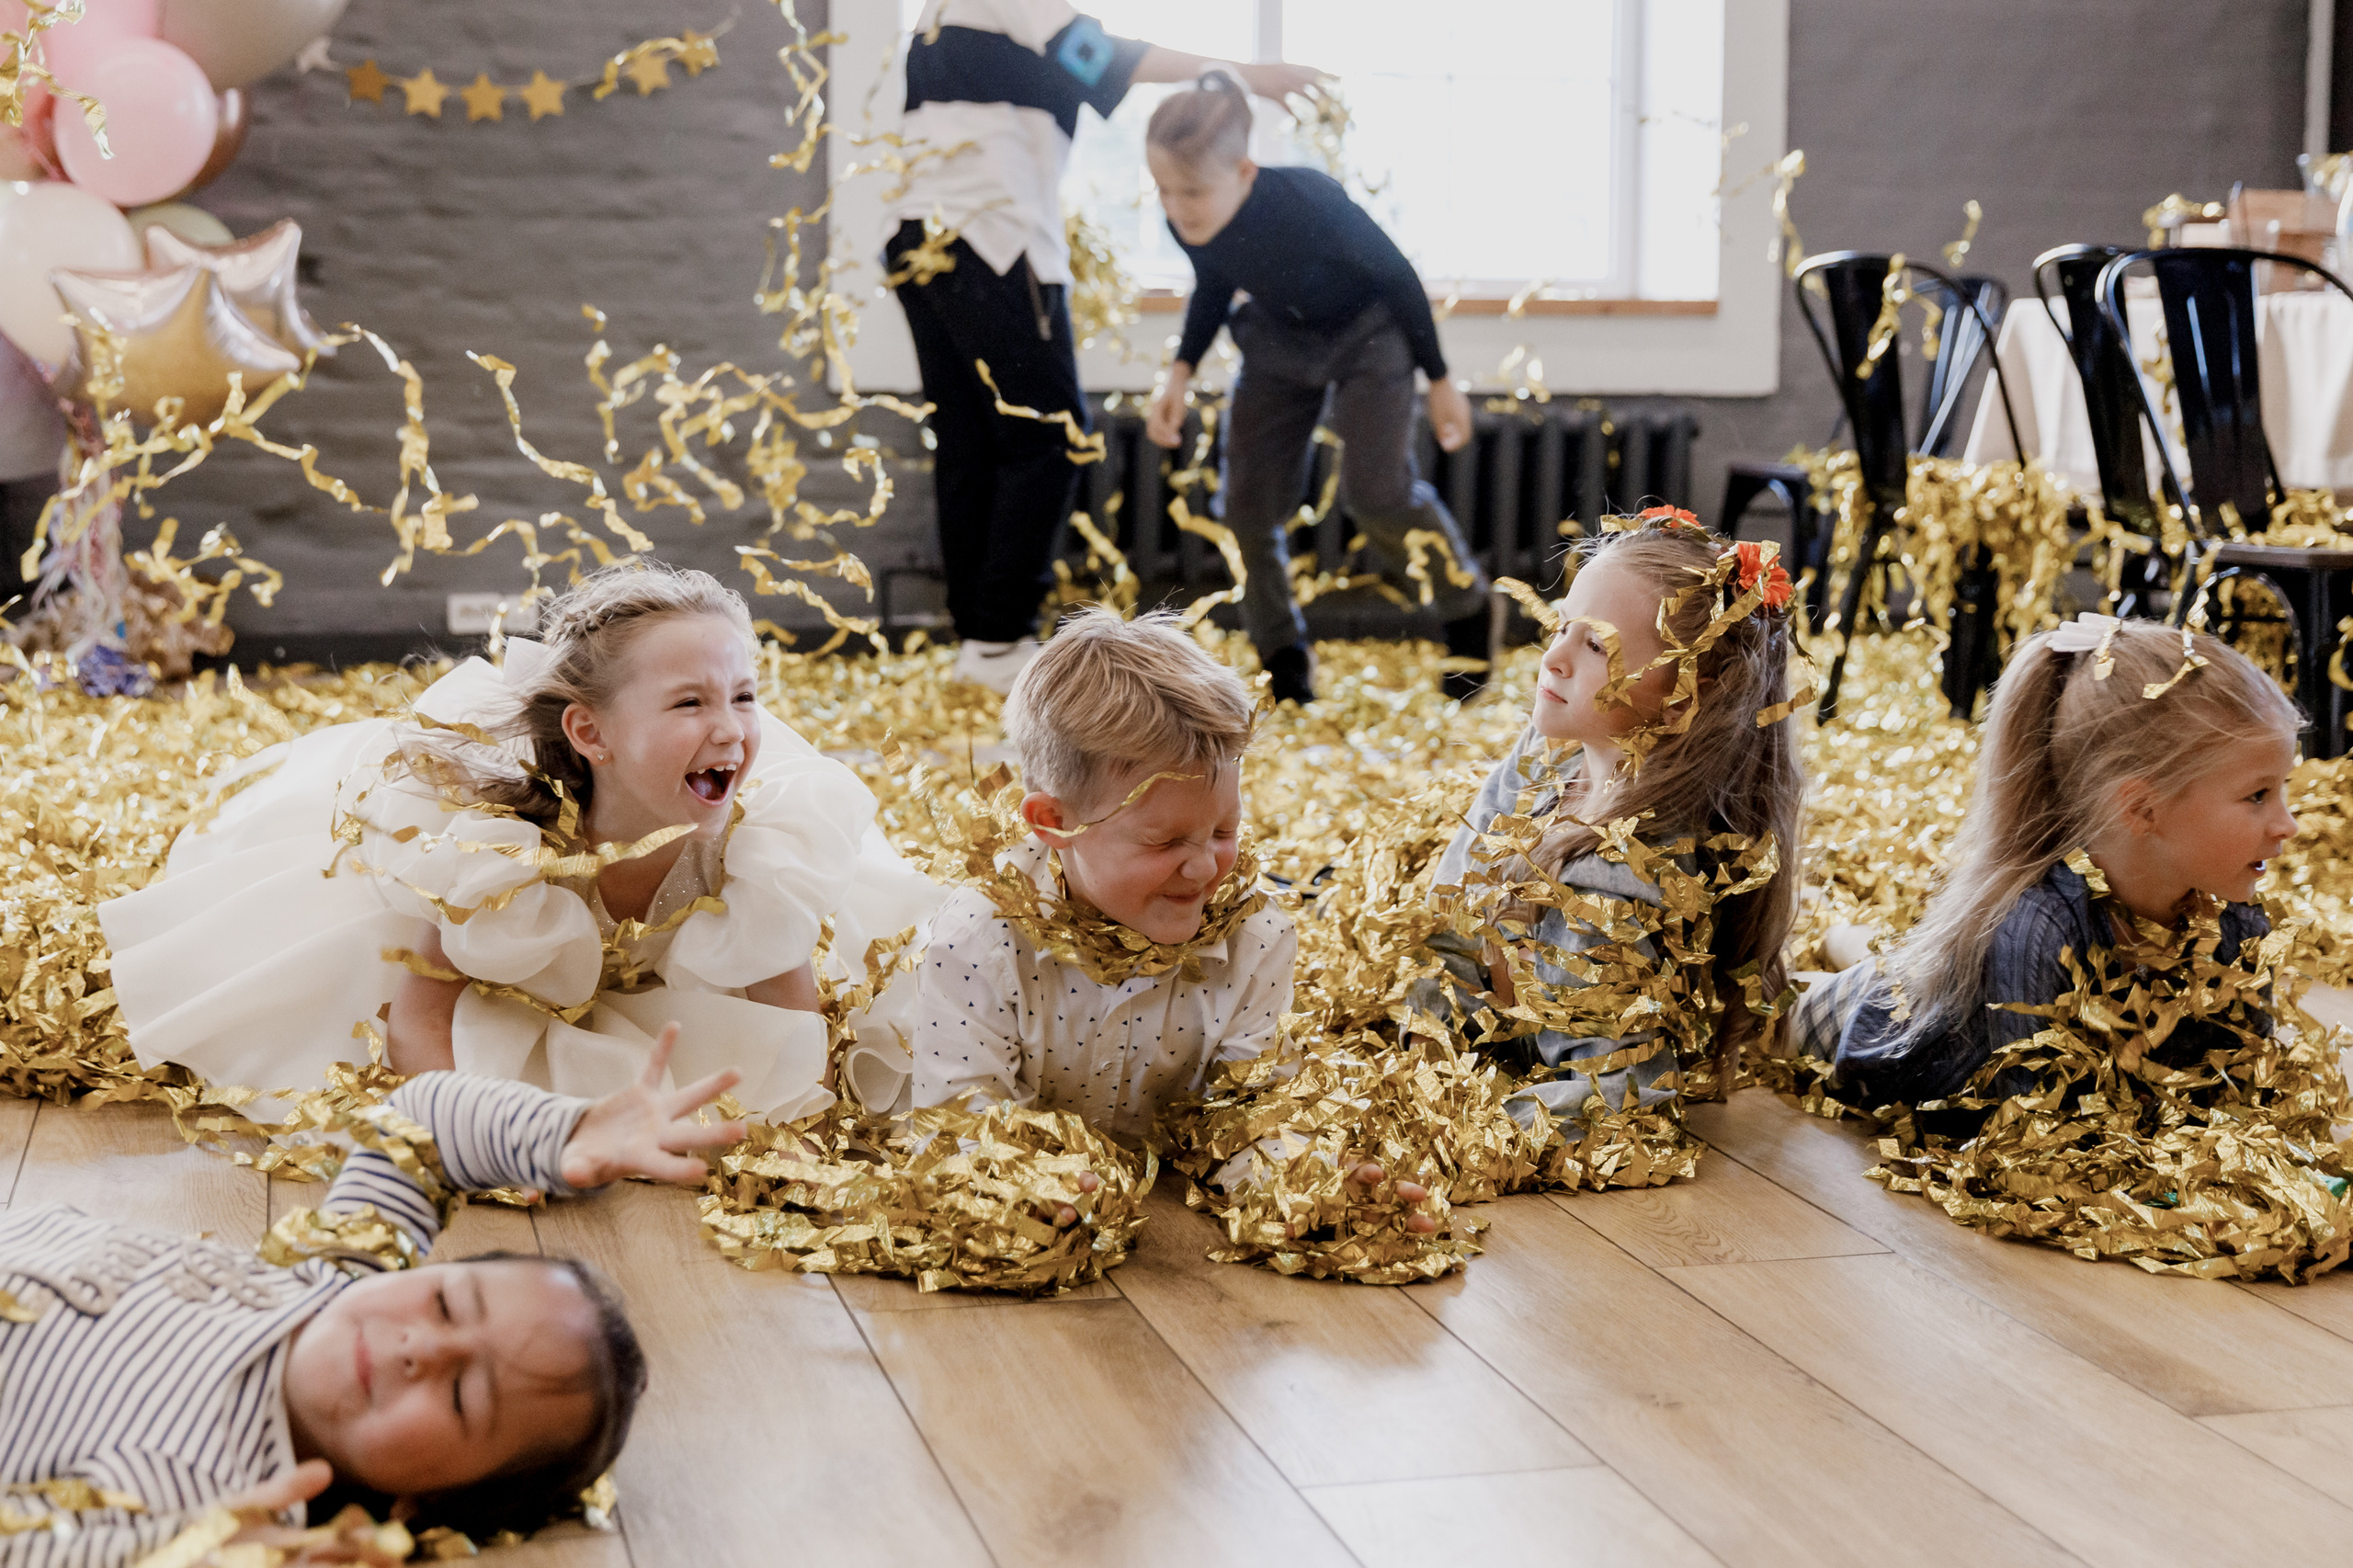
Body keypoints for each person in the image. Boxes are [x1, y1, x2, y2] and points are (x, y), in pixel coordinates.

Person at [101, 561, 942, 1119]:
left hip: (637, 989)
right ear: (592, 733)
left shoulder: (751, 844)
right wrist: (477, 1135)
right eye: (689, 704)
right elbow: (418, 1026)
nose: (729, 729)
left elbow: (790, 1012)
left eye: (745, 697)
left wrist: (813, 1126)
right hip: (459, 982)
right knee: (334, 995)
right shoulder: (498, 844)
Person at [0, 1026, 743, 1563]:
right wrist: (564, 1132)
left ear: (423, 1505)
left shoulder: (212, 1494)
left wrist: (203, 1552)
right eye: (446, 1304)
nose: (421, 1347)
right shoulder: (333, 1279)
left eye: (462, 1399)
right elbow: (422, 1121)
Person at [911, 608, 1429, 1223]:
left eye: (1224, 829)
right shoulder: (977, 944)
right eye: (1165, 842)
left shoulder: (1257, 939)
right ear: (1054, 823)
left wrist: (1304, 1184)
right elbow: (961, 1121)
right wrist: (1024, 1184)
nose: (1204, 868)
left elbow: (1243, 1116)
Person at [885, 2, 1321, 695]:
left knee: (973, 435)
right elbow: (1093, 53)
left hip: (920, 232)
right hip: (991, 231)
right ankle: (1000, 639)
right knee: (1052, 438)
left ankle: (980, 639)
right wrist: (1240, 72)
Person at [1421, 514, 1803, 1175]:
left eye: (1596, 647)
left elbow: (1623, 1101)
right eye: (1561, 625)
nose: (1555, 657)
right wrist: (1414, 1027)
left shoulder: (1611, 887)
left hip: (1521, 1060)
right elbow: (1448, 906)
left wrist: (1437, 1126)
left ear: (1683, 699)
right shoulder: (1550, 751)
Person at [1796, 617, 2304, 1108]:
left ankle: (1844, 935)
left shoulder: (2236, 917)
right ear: (2143, 809)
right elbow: (2032, 1118)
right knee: (1789, 1005)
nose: (2288, 825)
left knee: (1895, 959)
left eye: (2281, 789)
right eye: (2258, 795)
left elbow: (2244, 1077)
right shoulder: (2039, 927)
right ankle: (1825, 938)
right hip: (1886, 1034)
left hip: (1945, 986)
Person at [1142, 73, 1491, 707]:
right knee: (1246, 506)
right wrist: (1179, 373)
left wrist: (1440, 380)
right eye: (1163, 189)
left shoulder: (1308, 201)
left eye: (1192, 191)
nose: (1176, 207)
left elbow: (1397, 274)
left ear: (1245, 172)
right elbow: (1215, 285)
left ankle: (1467, 608)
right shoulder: (1185, 217)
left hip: (1369, 333)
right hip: (1277, 339)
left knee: (1378, 491)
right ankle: (1283, 659)